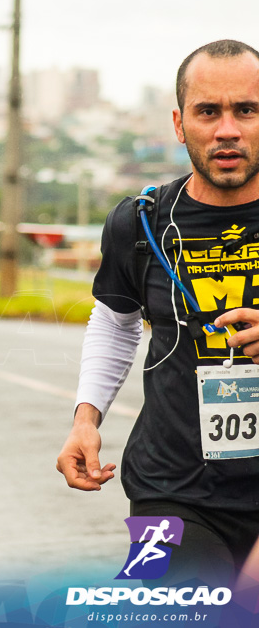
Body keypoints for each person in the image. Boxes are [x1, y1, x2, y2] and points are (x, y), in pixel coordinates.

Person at [57, 39, 259, 587]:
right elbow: (115, 319)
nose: (227, 130)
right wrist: (85, 418)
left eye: (246, 110)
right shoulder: (141, 222)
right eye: (208, 111)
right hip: (170, 487)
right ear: (179, 123)